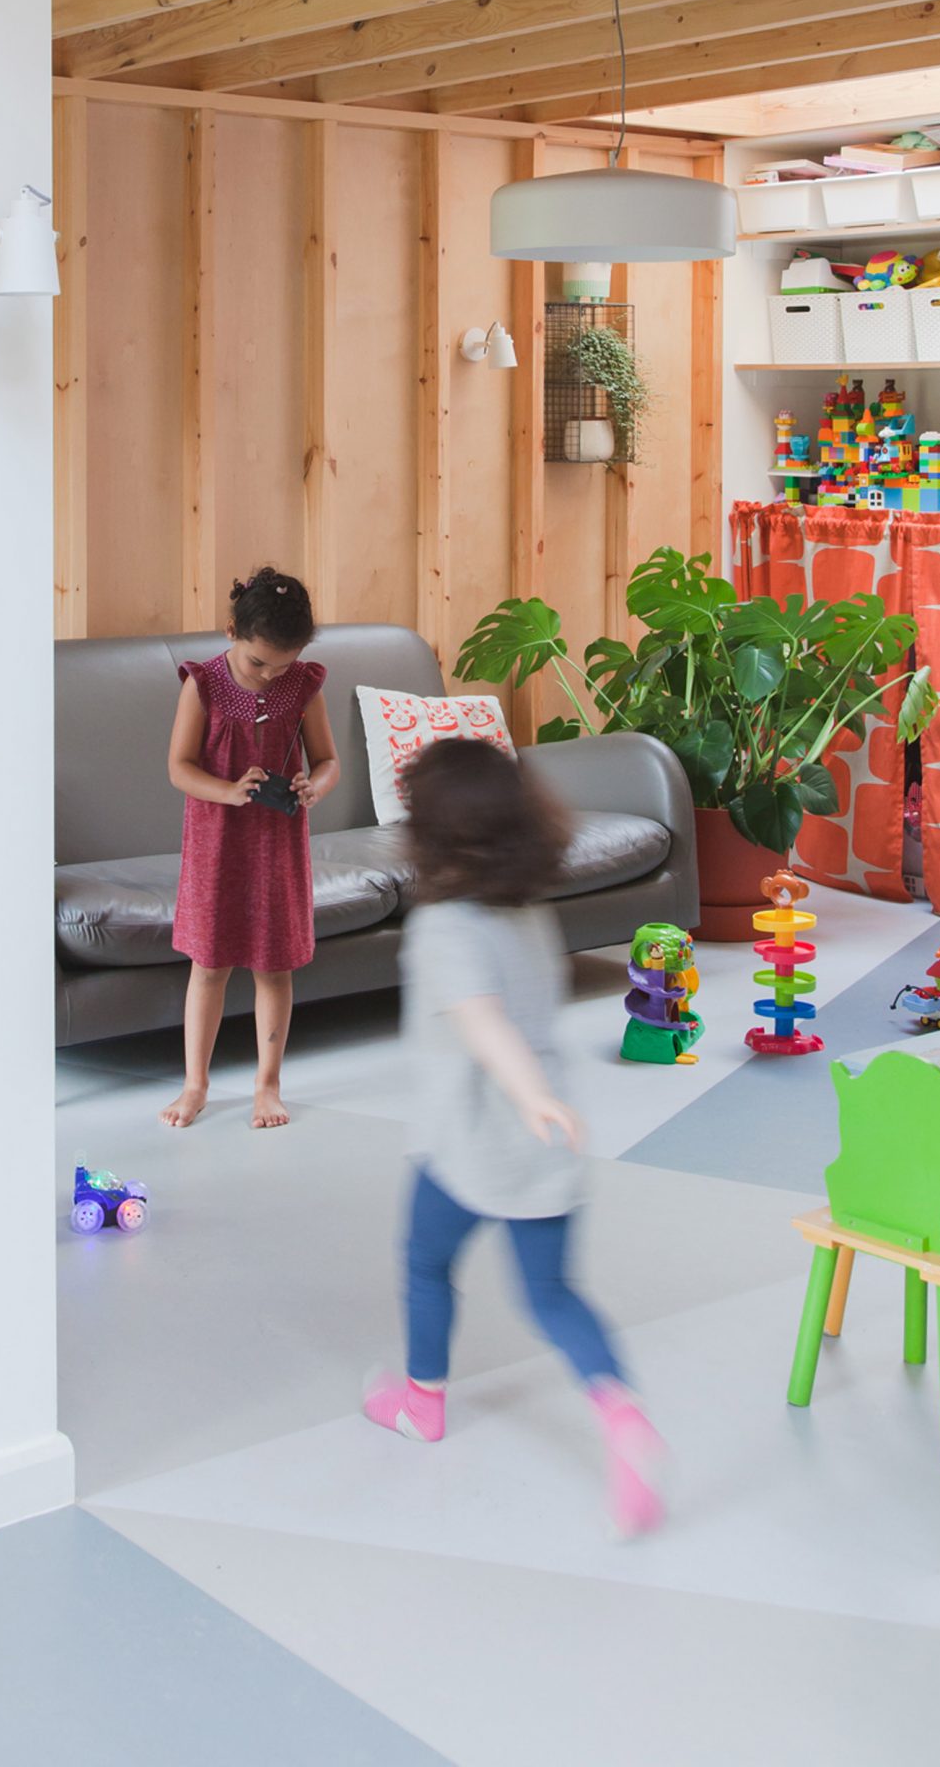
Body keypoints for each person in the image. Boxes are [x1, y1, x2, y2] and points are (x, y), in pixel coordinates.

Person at [363, 739, 666, 1536]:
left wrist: (526, 1092)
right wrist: (545, 1102)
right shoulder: (531, 911)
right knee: (553, 1295)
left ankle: (422, 1402)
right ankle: (623, 1415)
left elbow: (484, 1024)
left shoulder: (441, 929)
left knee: (426, 1265)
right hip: (550, 1141)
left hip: (469, 1142)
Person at [161, 567, 339, 1131]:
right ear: (231, 630)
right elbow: (179, 768)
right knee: (209, 965)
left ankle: (268, 1084)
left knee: (273, 966)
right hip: (217, 843)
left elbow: (327, 760)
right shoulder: (204, 684)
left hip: (277, 845)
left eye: (281, 665)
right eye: (257, 662)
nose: (268, 676)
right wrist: (230, 792)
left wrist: (318, 785)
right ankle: (196, 1084)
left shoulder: (303, 686)